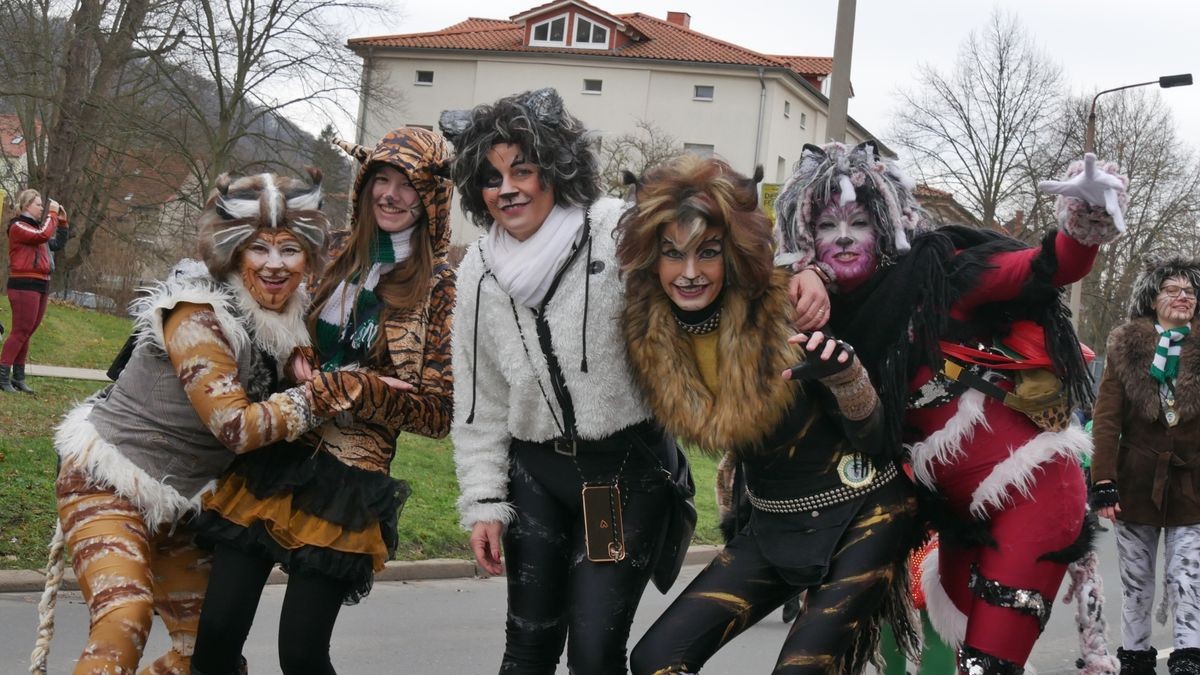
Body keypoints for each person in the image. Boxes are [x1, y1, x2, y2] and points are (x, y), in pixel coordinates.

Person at [774, 143, 1129, 674]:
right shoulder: (818, 314)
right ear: (805, 239)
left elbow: (1039, 268)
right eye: (827, 224)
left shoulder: (936, 276)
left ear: (890, 222)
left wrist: (1083, 224)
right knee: (965, 659)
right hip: (958, 519)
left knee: (987, 665)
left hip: (1033, 490)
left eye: (860, 222)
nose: (844, 237)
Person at [33, 169, 353, 675]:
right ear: (232, 253)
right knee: (125, 614)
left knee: (208, 650)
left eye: (289, 249)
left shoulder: (294, 322)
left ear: (307, 258)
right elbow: (237, 428)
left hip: (185, 503)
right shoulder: (197, 312)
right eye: (258, 248)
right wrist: (325, 394)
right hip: (107, 484)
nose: (274, 265)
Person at [615, 155, 918, 674]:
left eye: (707, 253)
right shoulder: (647, 333)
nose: (690, 273)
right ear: (651, 257)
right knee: (655, 660)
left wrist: (846, 378)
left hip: (864, 514)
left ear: (732, 252)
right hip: (773, 523)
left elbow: (876, 436)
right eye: (672, 254)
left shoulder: (788, 303)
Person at [189, 126, 456, 675]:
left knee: (301, 655)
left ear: (431, 197)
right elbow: (274, 318)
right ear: (363, 187)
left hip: (349, 478)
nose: (390, 194)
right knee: (214, 634)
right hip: (277, 454)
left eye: (407, 184)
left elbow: (439, 412)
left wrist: (355, 386)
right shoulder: (332, 253)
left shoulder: (442, 287)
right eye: (380, 179)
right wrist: (292, 357)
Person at [441, 88, 687, 675]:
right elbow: (480, 402)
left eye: (522, 170)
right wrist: (483, 503)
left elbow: (703, 267)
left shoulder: (615, 232)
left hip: (623, 472)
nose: (508, 189)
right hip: (536, 474)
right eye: (492, 177)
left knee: (595, 656)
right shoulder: (477, 269)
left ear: (555, 169)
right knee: (525, 650)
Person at [1090, 256, 1200, 675]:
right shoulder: (1125, 346)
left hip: (1193, 483)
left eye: (1189, 290)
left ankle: (1188, 657)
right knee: (1137, 584)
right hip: (1136, 481)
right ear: (1153, 299)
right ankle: (1135, 659)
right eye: (1172, 289)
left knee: (1187, 579)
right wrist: (1103, 479)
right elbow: (1106, 419)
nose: (1182, 296)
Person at [2, 190, 68, 393]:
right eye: (38, 204)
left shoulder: (38, 229)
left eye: (42, 205)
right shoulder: (18, 226)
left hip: (41, 284)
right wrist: (53, 215)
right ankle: (2, 375)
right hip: (24, 284)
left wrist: (63, 224)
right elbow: (44, 235)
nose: (42, 208)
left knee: (27, 332)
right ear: (26, 205)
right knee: (20, 331)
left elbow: (55, 243)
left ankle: (18, 378)